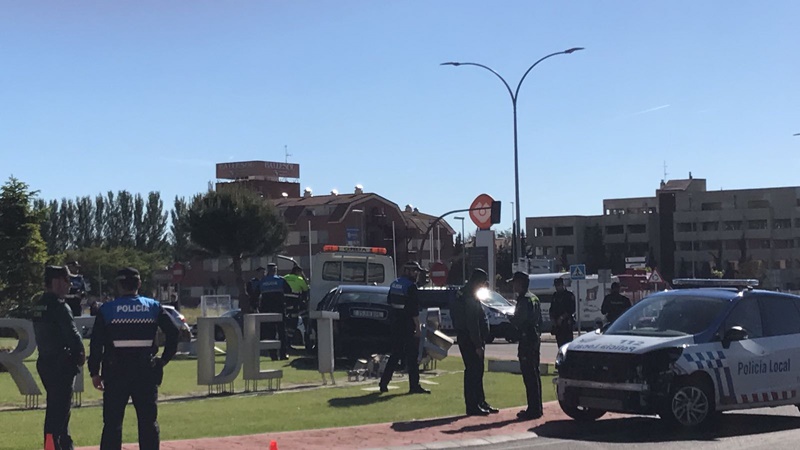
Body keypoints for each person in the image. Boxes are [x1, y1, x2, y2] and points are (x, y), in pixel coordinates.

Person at [88, 267, 180, 450]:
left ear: (118, 285)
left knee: (112, 424)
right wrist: (163, 359)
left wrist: (94, 372)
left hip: (115, 373)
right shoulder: (153, 306)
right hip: (145, 371)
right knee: (148, 423)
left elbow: (96, 343)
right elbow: (174, 332)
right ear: (138, 284)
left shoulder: (107, 310)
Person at [32, 265, 85, 450]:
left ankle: (63, 445)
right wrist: (80, 355)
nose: (69, 285)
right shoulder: (60, 306)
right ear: (56, 282)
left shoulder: (38, 304)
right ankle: (55, 446)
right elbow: (73, 336)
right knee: (58, 414)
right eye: (66, 280)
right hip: (61, 364)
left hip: (45, 362)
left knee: (57, 411)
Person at [378, 261, 431, 394]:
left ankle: (384, 383)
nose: (416, 274)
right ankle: (414, 386)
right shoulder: (411, 287)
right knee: (412, 357)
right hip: (407, 325)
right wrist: (418, 328)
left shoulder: (395, 283)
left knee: (395, 355)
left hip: (395, 324)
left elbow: (389, 302)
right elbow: (413, 311)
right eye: (415, 271)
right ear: (408, 271)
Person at [450, 269, 497, 416]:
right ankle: (473, 405)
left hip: (468, 337)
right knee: (473, 371)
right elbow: (472, 323)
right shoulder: (469, 295)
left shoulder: (464, 293)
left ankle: (480, 401)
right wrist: (477, 345)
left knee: (478, 370)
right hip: (470, 339)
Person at [509, 271, 543, 420]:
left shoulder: (524, 300)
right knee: (535, 374)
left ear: (520, 283)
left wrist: (509, 316)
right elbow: (540, 321)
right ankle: (537, 407)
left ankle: (533, 409)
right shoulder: (534, 298)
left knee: (529, 375)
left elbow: (518, 320)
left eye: (515, 282)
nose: (513, 285)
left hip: (526, 339)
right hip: (535, 338)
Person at [259, 263, 291, 360]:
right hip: (279, 309)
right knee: (282, 332)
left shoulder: (262, 281)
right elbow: (289, 291)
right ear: (275, 270)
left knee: (270, 333)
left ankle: (273, 355)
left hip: (266, 310)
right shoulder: (281, 280)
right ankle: (283, 354)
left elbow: (256, 294)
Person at [283, 266, 310, 349]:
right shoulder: (299, 279)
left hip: (285, 304)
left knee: (287, 323)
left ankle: (286, 342)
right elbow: (306, 289)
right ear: (298, 272)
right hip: (295, 303)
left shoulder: (284, 277)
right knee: (295, 322)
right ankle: (291, 342)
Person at [549, 277, 576, 348]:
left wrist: (562, 317)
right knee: (560, 345)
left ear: (563, 285)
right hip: (558, 326)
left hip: (566, 324)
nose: (557, 287)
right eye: (556, 286)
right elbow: (551, 309)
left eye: (558, 285)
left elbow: (572, 309)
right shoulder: (555, 296)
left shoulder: (569, 295)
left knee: (567, 345)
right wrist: (552, 319)